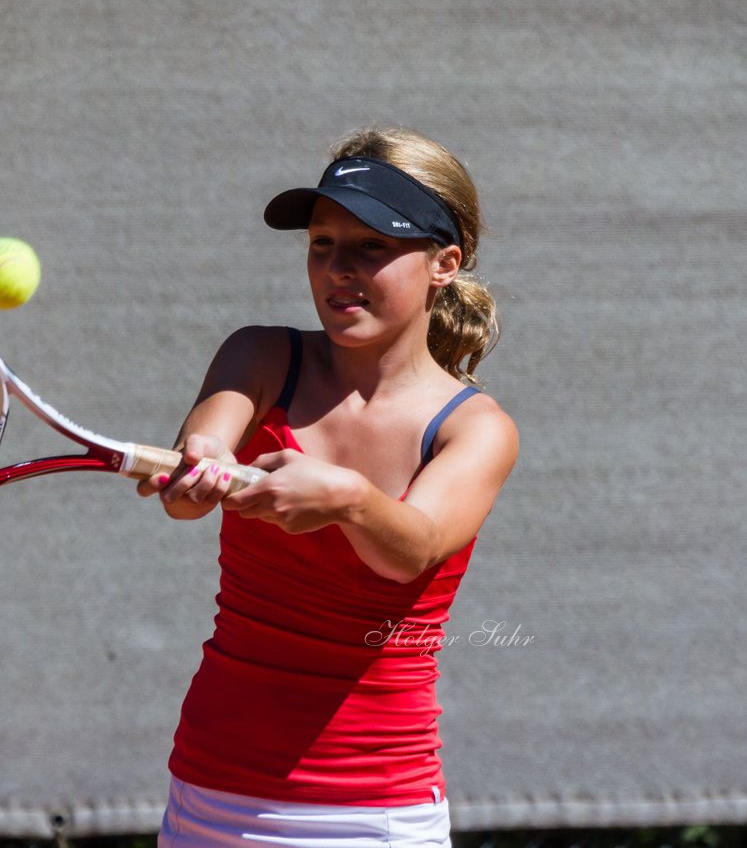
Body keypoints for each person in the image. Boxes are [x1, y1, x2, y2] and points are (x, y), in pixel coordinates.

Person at [139, 127, 520, 847]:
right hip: (209, 790)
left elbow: (412, 549)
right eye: (321, 244)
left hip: (374, 813)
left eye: (370, 246)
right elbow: (191, 487)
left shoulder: (478, 429)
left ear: (445, 263)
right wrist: (201, 462)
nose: (337, 268)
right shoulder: (257, 355)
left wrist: (344, 497)